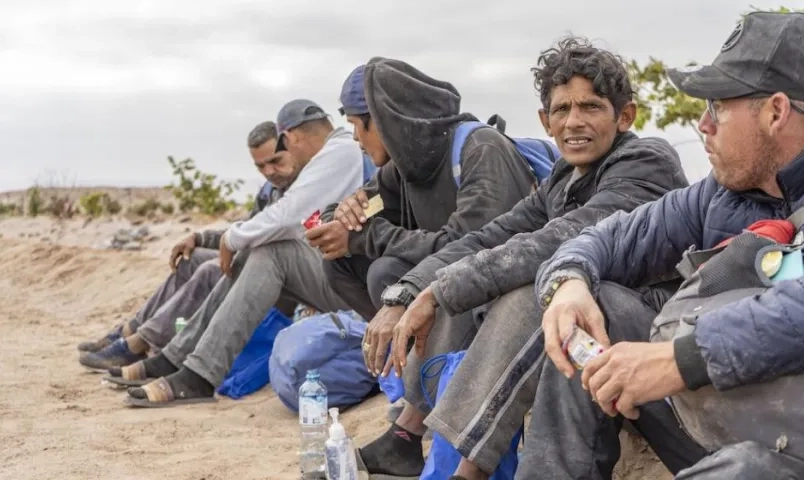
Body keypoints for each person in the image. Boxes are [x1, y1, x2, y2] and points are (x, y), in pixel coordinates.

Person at [354, 38, 696, 479]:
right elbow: (490, 237)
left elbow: (557, 241)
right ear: (545, 121)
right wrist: (411, 290)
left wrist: (440, 290)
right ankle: (412, 434)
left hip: (646, 328)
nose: (574, 122)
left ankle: (467, 470)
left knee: (527, 289)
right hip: (583, 338)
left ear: (624, 115)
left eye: (590, 107)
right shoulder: (562, 178)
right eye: (561, 110)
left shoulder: (645, 163)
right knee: (472, 284)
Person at [520, 12, 804, 479]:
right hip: (713, 422)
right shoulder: (722, 191)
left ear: (775, 111)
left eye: (717, 107)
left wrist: (682, 358)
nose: (702, 125)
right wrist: (567, 283)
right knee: (596, 309)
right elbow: (610, 237)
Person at [111, 99, 366, 407]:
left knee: (267, 252)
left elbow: (287, 217)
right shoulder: (336, 157)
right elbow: (275, 222)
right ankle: (177, 359)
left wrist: (231, 238)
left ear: (293, 138)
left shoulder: (339, 152)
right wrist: (227, 238)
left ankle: (195, 373)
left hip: (358, 290)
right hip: (341, 276)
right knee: (250, 253)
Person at [308, 58, 537, 321]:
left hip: (506, 289)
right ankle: (390, 349)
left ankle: (428, 356)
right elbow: (359, 210)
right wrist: (340, 216)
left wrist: (369, 235)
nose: (355, 138)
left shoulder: (481, 150)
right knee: (340, 262)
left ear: (382, 119)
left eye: (354, 124)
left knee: (387, 272)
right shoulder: (406, 167)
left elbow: (469, 247)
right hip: (450, 283)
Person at [78, 121, 297, 370]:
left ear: (291, 146)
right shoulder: (271, 189)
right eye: (261, 166)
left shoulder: (309, 186)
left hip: (280, 280)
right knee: (191, 258)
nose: (269, 171)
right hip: (254, 262)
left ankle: (140, 343)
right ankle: (130, 330)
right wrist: (200, 238)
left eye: (276, 161)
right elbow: (246, 228)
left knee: (209, 271)